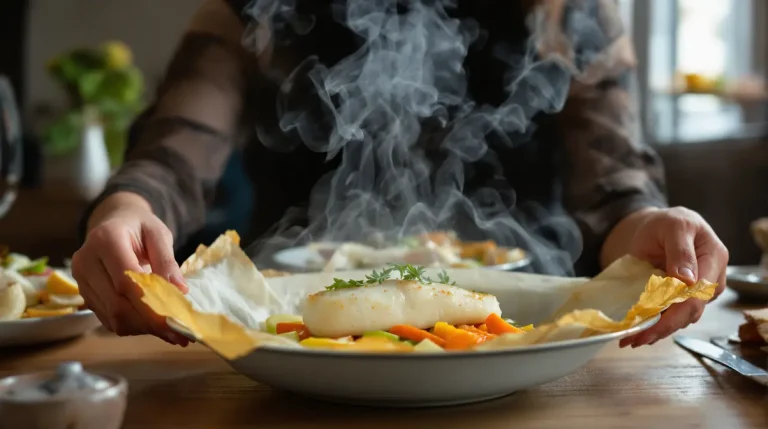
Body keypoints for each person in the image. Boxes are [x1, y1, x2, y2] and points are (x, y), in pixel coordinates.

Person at [71, 0, 728, 349]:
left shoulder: (574, 12)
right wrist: (126, 208)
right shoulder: (254, 5)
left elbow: (617, 195)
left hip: (528, 352)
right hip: (291, 350)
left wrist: (652, 228)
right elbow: (176, 148)